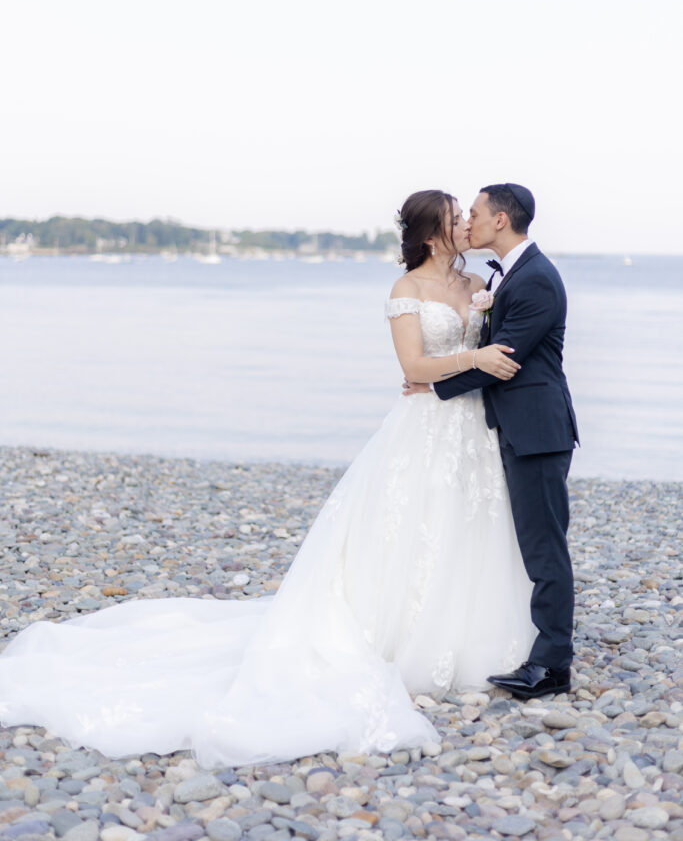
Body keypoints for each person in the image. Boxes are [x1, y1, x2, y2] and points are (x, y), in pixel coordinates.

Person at [0, 190, 535, 768]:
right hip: (423, 424)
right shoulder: (406, 291)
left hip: (470, 428)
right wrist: (471, 361)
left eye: (467, 216)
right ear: (432, 233)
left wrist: (479, 362)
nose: (465, 224)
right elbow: (412, 369)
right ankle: (402, 638)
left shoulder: (478, 283)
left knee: (464, 524)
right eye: (456, 218)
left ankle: (466, 634)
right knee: (410, 526)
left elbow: (494, 345)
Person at [404, 184, 579, 700]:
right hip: (515, 427)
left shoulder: (536, 280)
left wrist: (431, 385)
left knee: (545, 547)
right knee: (531, 541)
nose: (469, 223)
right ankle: (541, 649)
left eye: (475, 214)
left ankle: (551, 666)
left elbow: (502, 358)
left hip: (537, 431)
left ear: (500, 220)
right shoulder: (511, 275)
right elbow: (487, 354)